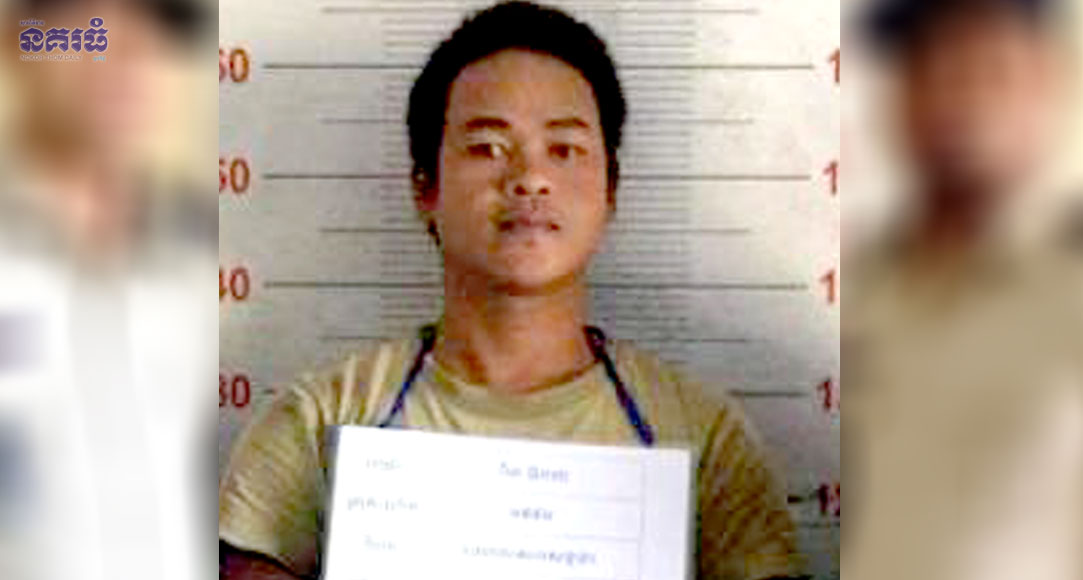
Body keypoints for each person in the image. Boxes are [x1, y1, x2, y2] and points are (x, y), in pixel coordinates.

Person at [218, 2, 803, 579]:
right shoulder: (320, 421)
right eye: (487, 148)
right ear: (425, 188)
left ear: (611, 190)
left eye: (565, 149)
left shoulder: (702, 437)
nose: (530, 178)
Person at [846, 1, 1083, 579]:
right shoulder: (868, 283)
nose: (957, 100)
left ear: (1046, 85)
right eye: (930, 69)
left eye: (989, 70)